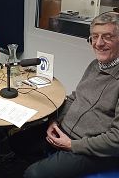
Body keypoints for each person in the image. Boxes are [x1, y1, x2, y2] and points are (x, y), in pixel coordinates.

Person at [24, 11, 119, 177]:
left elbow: (116, 140)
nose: (98, 43)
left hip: (91, 149)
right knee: (18, 142)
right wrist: (55, 121)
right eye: (94, 37)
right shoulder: (95, 65)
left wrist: (72, 145)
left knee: (33, 174)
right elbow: (75, 97)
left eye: (107, 37)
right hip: (65, 131)